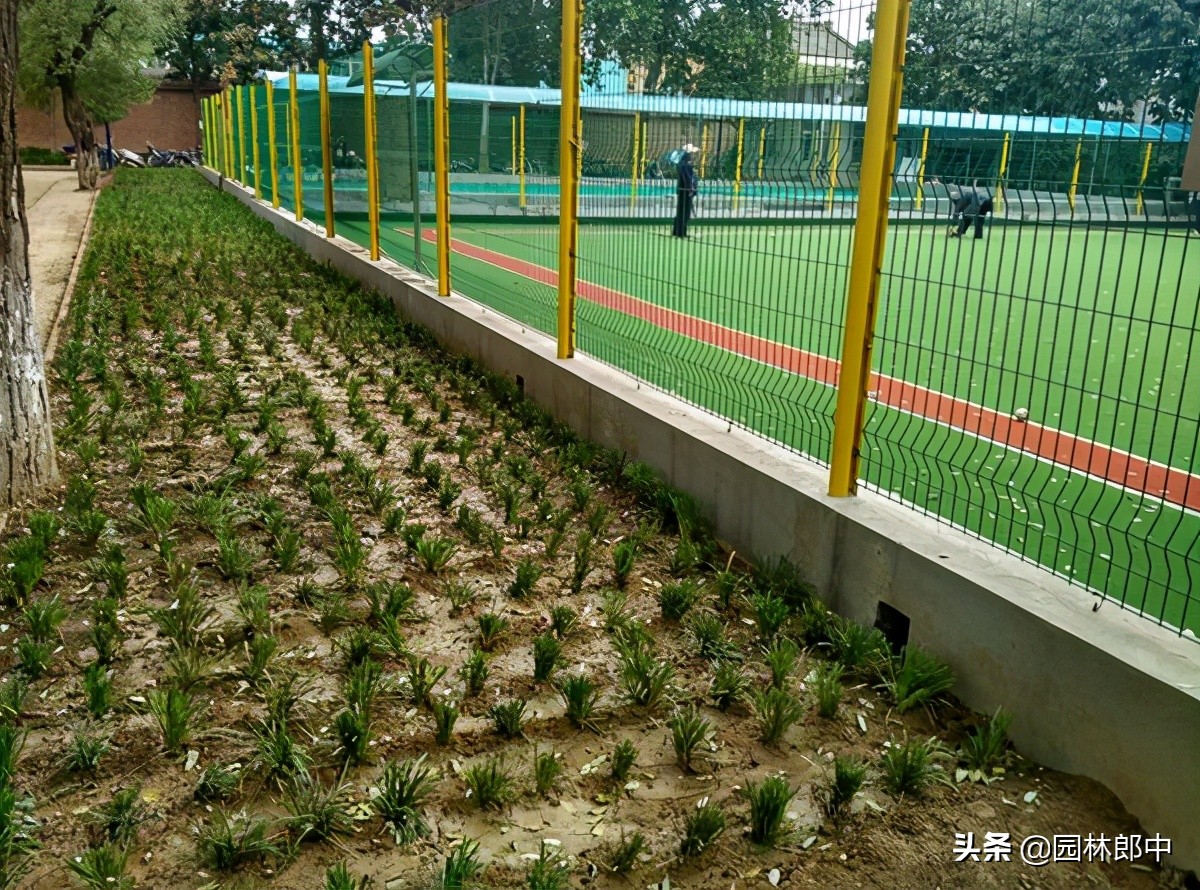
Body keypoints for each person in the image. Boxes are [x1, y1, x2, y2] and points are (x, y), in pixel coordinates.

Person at [672, 143, 699, 238]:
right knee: (685, 212)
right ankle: (681, 232)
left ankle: (677, 231)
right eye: (692, 153)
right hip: (685, 191)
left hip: (682, 190)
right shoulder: (686, 165)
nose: (693, 155)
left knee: (681, 211)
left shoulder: (682, 163)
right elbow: (687, 178)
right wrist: (690, 189)